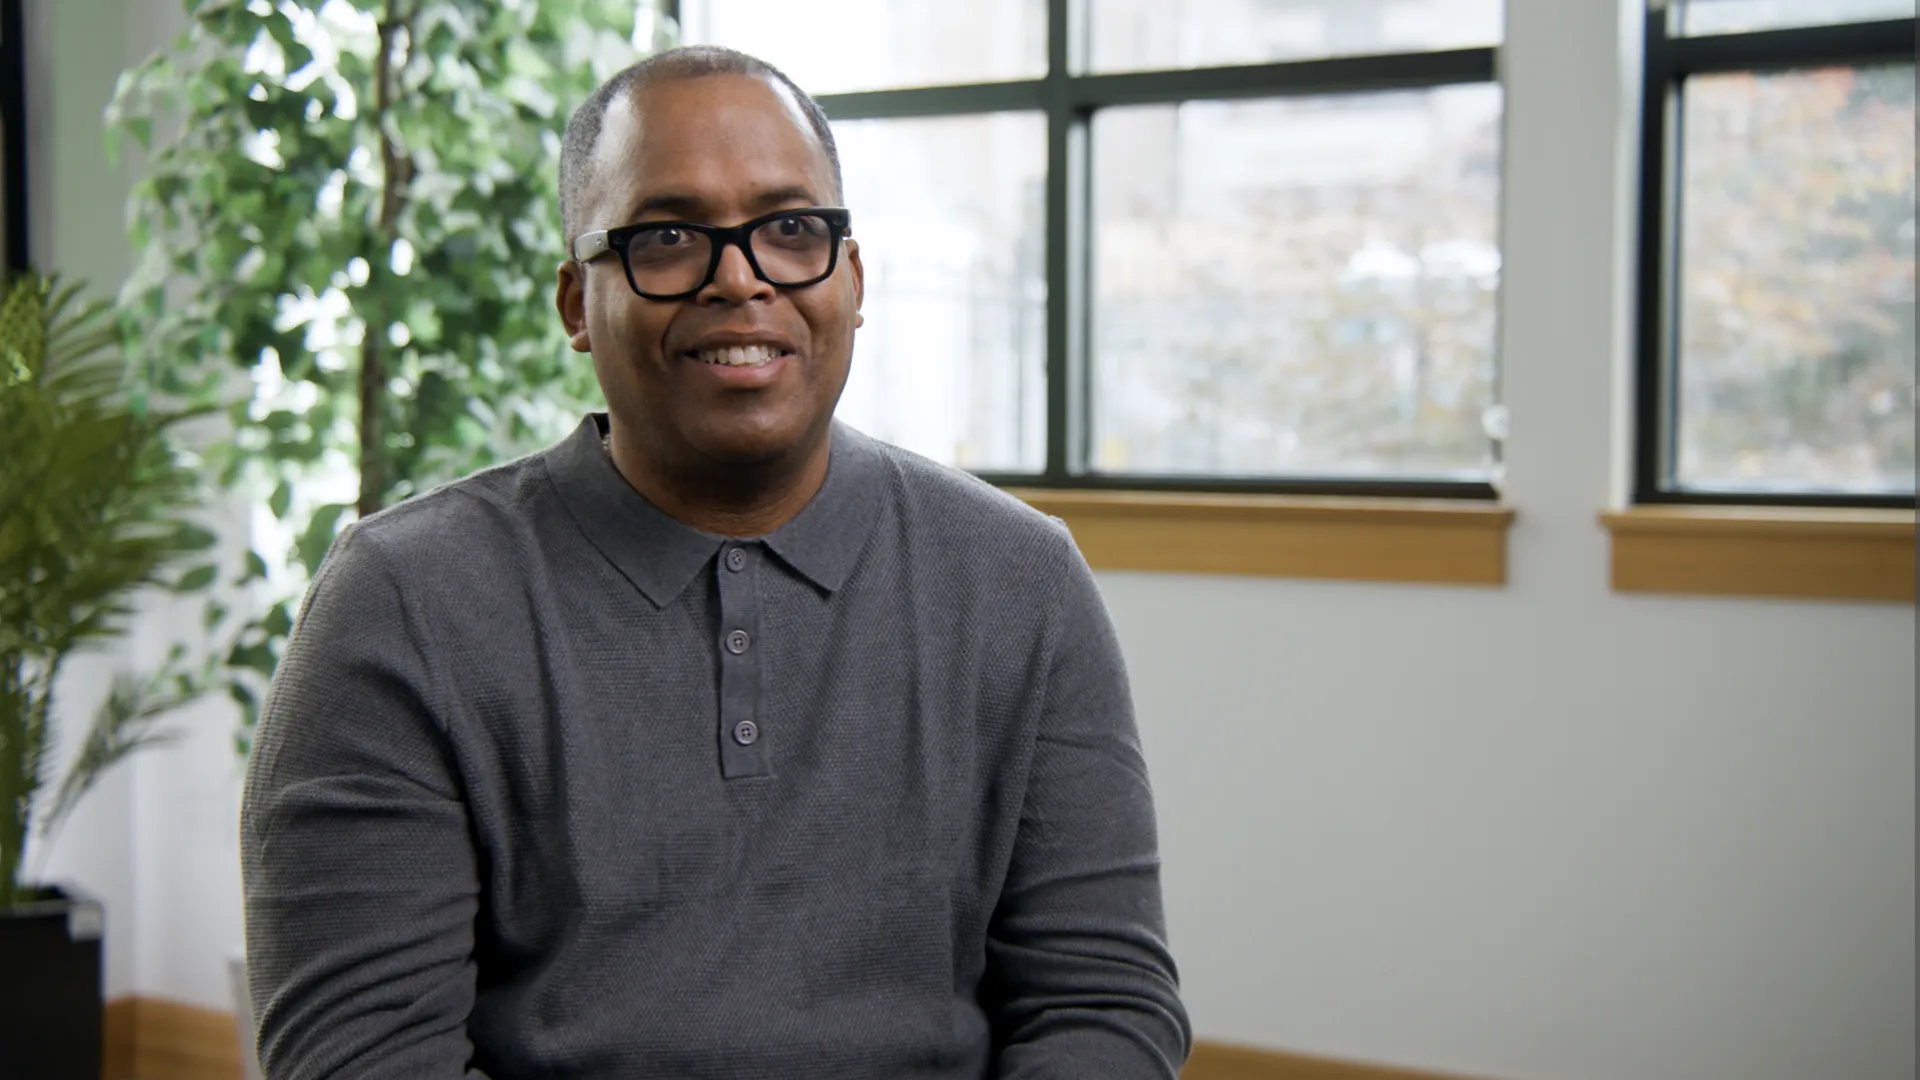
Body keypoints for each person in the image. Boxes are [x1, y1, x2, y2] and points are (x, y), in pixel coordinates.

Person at [241, 45, 1189, 1080]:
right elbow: (360, 1057)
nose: (740, 278)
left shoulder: (1021, 579)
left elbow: (1104, 1006)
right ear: (573, 303)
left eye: (791, 229)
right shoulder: (402, 601)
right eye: (668, 236)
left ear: (852, 279)